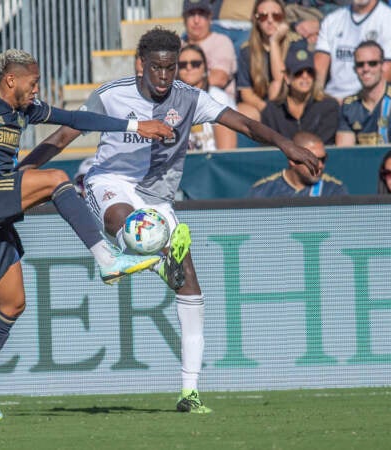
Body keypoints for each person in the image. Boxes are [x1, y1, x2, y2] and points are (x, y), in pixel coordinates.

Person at [18, 28, 319, 414]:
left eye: (171, 67)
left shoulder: (190, 98)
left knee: (191, 290)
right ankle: (152, 253)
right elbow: (61, 138)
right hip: (108, 182)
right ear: (141, 64)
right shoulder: (111, 95)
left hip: (157, 199)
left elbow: (244, 124)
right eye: (157, 68)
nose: (164, 76)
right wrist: (21, 173)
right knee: (123, 222)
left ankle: (189, 392)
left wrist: (285, 144)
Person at [0, 49, 175, 420]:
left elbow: (75, 118)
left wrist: (137, 127)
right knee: (56, 179)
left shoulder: (25, 109)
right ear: (11, 80)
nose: (37, 89)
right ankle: (106, 259)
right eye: (33, 82)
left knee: (12, 303)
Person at [314, 0, 391, 102]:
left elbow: (387, 74)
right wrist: (318, 96)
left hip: (372, 101)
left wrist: (351, 103)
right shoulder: (332, 20)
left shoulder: (390, 20)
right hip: (333, 99)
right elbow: (320, 67)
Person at [336, 41, 391, 146]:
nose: (366, 69)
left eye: (372, 63)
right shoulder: (349, 105)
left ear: (383, 66)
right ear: (355, 69)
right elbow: (345, 152)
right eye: (360, 64)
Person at [236, 0, 309, 121]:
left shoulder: (296, 43)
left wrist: (274, 42)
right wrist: (267, 110)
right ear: (256, 20)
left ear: (284, 19)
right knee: (242, 111)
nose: (270, 20)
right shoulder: (247, 50)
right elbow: (246, 93)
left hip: (293, 102)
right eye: (263, 16)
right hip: (263, 106)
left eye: (276, 16)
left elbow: (280, 80)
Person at [261, 47, 339, 144]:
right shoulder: (272, 111)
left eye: (310, 72)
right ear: (287, 78)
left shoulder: (328, 107)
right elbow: (268, 147)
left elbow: (324, 145)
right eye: (298, 72)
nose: (305, 76)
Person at [248, 131, 348, 197]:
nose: (320, 165)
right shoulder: (264, 191)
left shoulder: (334, 190)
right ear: (293, 160)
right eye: (313, 160)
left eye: (323, 159)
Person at [177, 44, 238, 150]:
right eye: (182, 64)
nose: (188, 67)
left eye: (195, 64)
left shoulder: (218, 98)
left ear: (205, 68)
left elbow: (226, 150)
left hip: (213, 163)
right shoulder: (172, 100)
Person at [180, 0, 238, 98]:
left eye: (202, 14)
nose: (196, 20)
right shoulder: (178, 45)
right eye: (191, 14)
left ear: (210, 17)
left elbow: (219, 79)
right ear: (184, 19)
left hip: (218, 103)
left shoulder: (221, 41)